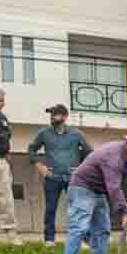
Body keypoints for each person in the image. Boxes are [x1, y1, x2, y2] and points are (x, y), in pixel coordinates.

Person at [29, 104, 93, 246]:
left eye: (55, 114)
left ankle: (84, 238)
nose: (52, 117)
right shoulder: (44, 133)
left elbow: (89, 152)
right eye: (51, 114)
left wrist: (81, 168)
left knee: (78, 208)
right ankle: (49, 239)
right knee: (50, 208)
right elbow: (31, 149)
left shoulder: (76, 134)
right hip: (52, 178)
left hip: (73, 179)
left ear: (65, 117)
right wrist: (39, 165)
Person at [0, 87, 21, 245]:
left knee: (6, 198)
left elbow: (6, 138)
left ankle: (11, 234)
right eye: (0, 100)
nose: (3, 104)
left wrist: (7, 157)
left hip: (1, 161)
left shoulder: (3, 118)